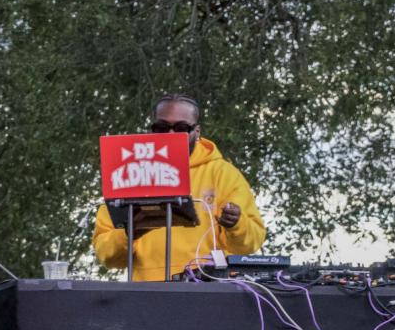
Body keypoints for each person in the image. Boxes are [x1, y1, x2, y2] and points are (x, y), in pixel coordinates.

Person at [91, 93, 266, 281]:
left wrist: (236, 224)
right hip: (145, 291)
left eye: (182, 127)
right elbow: (107, 256)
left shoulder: (222, 173)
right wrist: (128, 233)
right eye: (161, 127)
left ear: (197, 132)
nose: (170, 134)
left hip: (206, 289)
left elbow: (250, 244)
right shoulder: (130, 171)